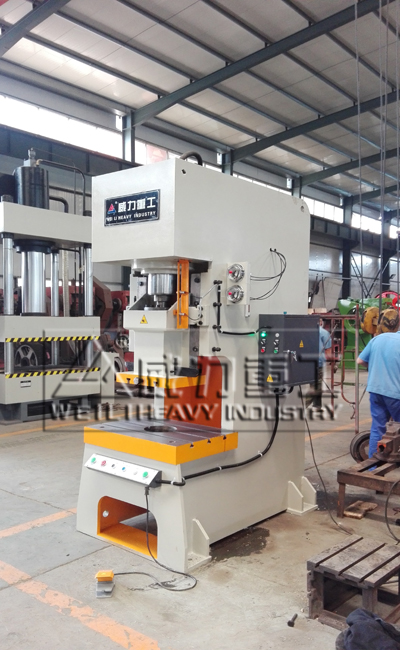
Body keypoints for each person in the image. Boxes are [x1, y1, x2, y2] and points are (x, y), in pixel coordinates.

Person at [357, 311, 400, 458]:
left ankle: (373, 464)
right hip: (395, 394)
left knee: (377, 428)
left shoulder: (376, 339)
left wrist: (375, 366)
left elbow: (360, 361)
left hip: (375, 391)